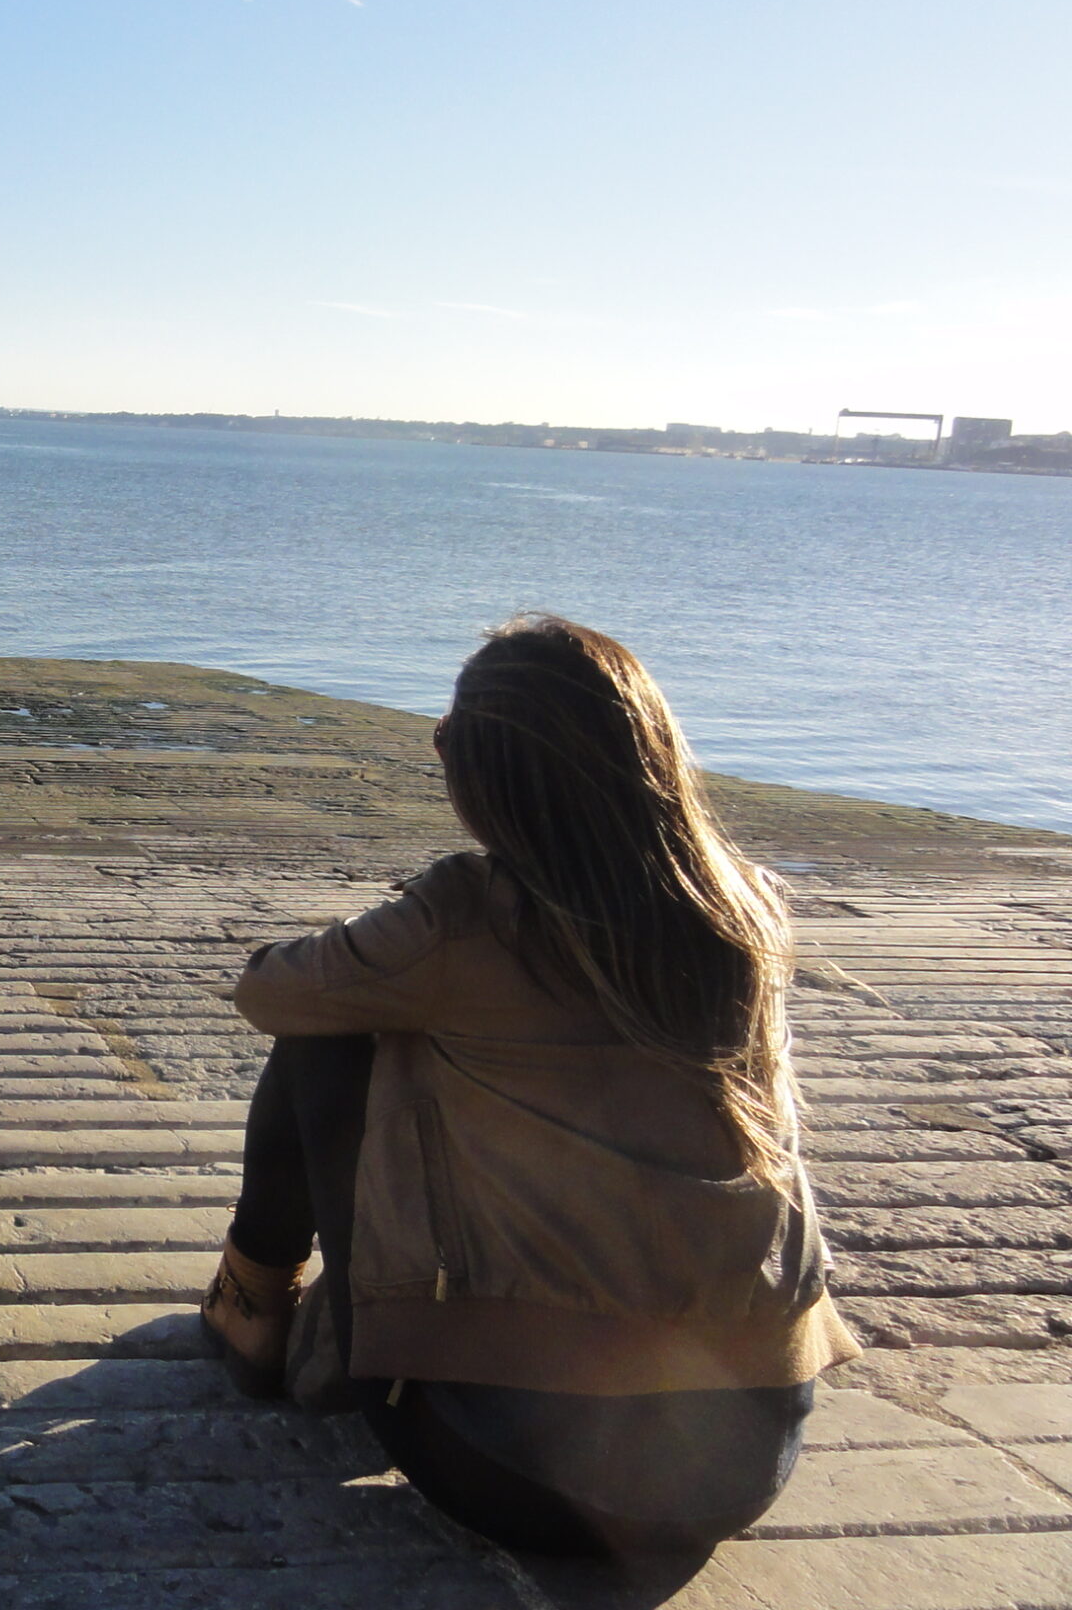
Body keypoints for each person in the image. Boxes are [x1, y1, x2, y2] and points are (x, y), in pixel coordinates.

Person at [202, 614, 860, 1560]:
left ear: (482, 772)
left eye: (448, 742)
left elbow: (268, 990)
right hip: (749, 1455)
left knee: (328, 1037)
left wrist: (390, 965)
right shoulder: (744, 905)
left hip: (511, 1465)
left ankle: (252, 1308)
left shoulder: (467, 915)